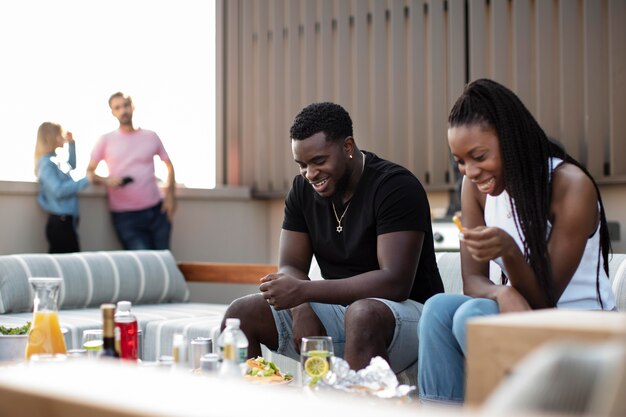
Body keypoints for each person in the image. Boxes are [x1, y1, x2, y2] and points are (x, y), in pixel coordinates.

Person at [417, 78, 617, 404]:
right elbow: (473, 280)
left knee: (475, 314)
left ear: (511, 141)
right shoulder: (474, 190)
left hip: (584, 331)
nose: (470, 171)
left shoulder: (570, 186)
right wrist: (503, 291)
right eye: (461, 161)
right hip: (512, 317)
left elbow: (544, 300)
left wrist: (508, 250)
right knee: (437, 309)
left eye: (479, 156)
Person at [221, 102, 443, 373]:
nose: (310, 174)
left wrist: (303, 291)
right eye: (302, 165)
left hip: (409, 317)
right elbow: (292, 265)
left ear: (347, 147)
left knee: (361, 314)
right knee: (241, 314)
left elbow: (394, 282)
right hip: (344, 312)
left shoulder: (395, 187)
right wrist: (301, 308)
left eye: (319, 161)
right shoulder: (302, 190)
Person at [87, 92, 176, 250]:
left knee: (164, 263)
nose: (123, 111)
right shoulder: (105, 140)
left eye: (126, 105)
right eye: (118, 107)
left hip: (157, 212)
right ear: (113, 112)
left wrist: (170, 196)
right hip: (126, 217)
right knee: (143, 264)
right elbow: (89, 173)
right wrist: (106, 180)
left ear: (132, 106)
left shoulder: (151, 136)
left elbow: (169, 166)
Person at [35, 122, 90, 253]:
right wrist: (86, 181)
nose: (63, 137)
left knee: (70, 263)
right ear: (52, 137)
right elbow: (58, 191)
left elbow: (71, 165)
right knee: (67, 265)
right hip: (60, 223)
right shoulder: (46, 163)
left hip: (67, 221)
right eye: (60, 134)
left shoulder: (55, 160)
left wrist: (71, 144)